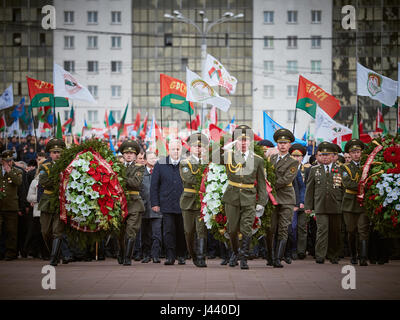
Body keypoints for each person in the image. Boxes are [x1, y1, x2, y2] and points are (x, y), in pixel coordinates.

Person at [217, 125, 267, 270]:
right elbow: (210, 158)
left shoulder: (257, 160)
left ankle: (243, 257)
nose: (243, 143)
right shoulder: (229, 156)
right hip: (232, 197)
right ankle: (234, 252)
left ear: (250, 142)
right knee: (232, 229)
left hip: (249, 198)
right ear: (236, 142)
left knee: (246, 228)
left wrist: (261, 202)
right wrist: (225, 147)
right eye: (240, 140)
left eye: (246, 140)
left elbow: (262, 184)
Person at [305, 141, 343, 264]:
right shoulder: (314, 170)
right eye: (323, 155)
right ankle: (320, 255)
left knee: (335, 231)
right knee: (322, 230)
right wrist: (308, 206)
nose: (325, 157)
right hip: (320, 205)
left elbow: (344, 189)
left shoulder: (340, 169)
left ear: (333, 156)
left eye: (328, 155)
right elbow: (309, 189)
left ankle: (333, 255)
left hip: (336, 205)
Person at [150, 139, 186, 266]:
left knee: (182, 231)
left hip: (183, 204)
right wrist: (155, 203)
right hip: (167, 203)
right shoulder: (160, 164)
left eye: (178, 149)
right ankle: (170, 256)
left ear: (181, 149)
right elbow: (154, 185)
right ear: (168, 150)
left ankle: (181, 255)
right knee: (168, 231)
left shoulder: (186, 163)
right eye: (173, 149)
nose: (175, 151)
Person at [267, 129, 299, 268]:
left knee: (283, 228)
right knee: (270, 228)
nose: (282, 145)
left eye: (285, 143)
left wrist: (268, 184)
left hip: (286, 198)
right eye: (280, 143)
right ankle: (270, 256)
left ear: (290, 145)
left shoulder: (293, 161)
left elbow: (286, 179)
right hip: (272, 198)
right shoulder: (271, 159)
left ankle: (278, 258)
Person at [179, 133, 209, 268]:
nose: (198, 149)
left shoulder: (208, 163)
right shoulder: (185, 163)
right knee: (189, 231)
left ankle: (201, 256)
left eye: (201, 147)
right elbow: (189, 178)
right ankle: (193, 254)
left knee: (201, 229)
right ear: (190, 147)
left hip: (202, 201)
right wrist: (206, 179)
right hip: (188, 201)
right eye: (196, 146)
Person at [38, 138, 66, 266]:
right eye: (54, 152)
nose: (57, 154)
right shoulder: (44, 166)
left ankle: (54, 258)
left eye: (59, 152)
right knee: (45, 231)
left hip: (61, 201)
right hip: (47, 201)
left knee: (57, 231)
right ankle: (54, 252)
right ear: (50, 153)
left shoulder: (66, 167)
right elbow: (44, 182)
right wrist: (59, 181)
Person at [341, 139, 369, 266]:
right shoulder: (345, 167)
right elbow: (348, 183)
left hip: (363, 204)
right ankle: (353, 255)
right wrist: (364, 185)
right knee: (351, 230)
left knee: (363, 230)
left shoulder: (368, 166)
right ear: (349, 154)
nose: (356, 154)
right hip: (350, 204)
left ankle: (363, 257)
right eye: (353, 152)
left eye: (358, 152)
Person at [118, 139, 145, 266]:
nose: (129, 155)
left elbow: (135, 183)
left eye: (132, 153)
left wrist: (120, 177)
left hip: (134, 203)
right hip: (119, 203)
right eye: (126, 153)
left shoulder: (139, 168)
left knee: (131, 230)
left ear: (135, 156)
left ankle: (128, 257)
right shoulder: (116, 167)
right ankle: (122, 253)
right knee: (119, 232)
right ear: (123, 155)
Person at [285, 144, 309, 261]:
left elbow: (303, 187)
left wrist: (303, 201)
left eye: (298, 156)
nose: (296, 158)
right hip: (291, 202)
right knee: (292, 227)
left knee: (301, 228)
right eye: (293, 155)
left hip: (302, 203)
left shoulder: (307, 169)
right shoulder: (288, 167)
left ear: (302, 157)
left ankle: (300, 251)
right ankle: (292, 250)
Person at [140, 151, 163, 263]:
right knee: (145, 234)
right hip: (144, 208)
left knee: (157, 233)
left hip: (157, 208)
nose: (154, 159)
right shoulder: (140, 173)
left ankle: (155, 255)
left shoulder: (160, 172)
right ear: (145, 160)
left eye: (155, 157)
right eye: (151, 158)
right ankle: (145, 255)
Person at [0, 150, 23, 260]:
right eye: (6, 161)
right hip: (0, 205)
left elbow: (18, 182)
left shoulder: (17, 171)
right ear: (2, 161)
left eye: (10, 160)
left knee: (11, 231)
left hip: (11, 206)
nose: (9, 163)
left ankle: (11, 253)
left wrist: (9, 171)